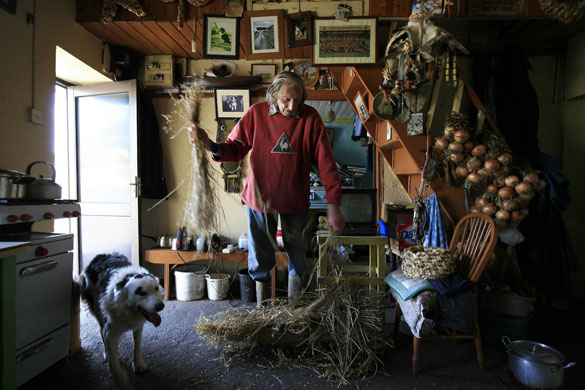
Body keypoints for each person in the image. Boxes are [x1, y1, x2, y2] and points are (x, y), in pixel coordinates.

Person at [188, 71, 344, 307]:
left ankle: (294, 312)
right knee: (260, 257)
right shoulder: (256, 114)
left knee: (298, 257)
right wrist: (208, 143)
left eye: (298, 99)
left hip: (295, 201)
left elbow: (326, 164)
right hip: (260, 201)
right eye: (286, 99)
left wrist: (333, 204)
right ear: (273, 94)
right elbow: (234, 148)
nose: (292, 106)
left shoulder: (310, 118)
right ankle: (263, 310)